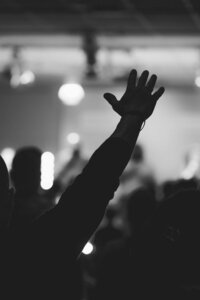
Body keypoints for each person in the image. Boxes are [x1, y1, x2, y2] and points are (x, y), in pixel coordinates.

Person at [6, 69, 164, 299]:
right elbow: (93, 187)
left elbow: (93, 186)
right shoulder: (28, 252)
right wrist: (131, 120)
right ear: (8, 198)